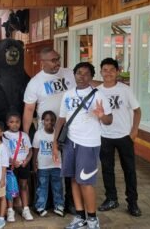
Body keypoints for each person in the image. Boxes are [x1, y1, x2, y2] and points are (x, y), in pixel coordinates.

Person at [52, 62, 113, 229]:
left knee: (85, 182)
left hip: (89, 143)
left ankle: (92, 219)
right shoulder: (68, 94)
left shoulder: (98, 95)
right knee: (73, 179)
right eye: (79, 73)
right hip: (70, 142)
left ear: (91, 77)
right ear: (74, 74)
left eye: (86, 74)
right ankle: (80, 217)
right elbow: (61, 120)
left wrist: (101, 116)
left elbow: (109, 120)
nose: (82, 76)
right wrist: (54, 142)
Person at [23, 47, 76, 214]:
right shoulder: (35, 82)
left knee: (68, 164)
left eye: (58, 58)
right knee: (48, 166)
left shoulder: (69, 73)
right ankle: (46, 202)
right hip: (47, 130)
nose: (57, 63)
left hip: (72, 128)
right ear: (42, 62)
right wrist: (25, 137)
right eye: (53, 60)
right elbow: (29, 110)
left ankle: (70, 201)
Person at [97, 58, 142, 216]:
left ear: (117, 72)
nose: (108, 73)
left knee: (129, 170)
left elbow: (137, 111)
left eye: (111, 70)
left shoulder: (125, 90)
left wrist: (134, 130)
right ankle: (111, 198)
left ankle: (132, 202)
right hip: (104, 136)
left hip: (124, 136)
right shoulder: (98, 91)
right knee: (107, 169)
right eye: (105, 70)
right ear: (101, 72)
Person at [32, 111, 64, 217]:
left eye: (52, 120)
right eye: (46, 120)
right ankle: (40, 206)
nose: (49, 122)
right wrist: (34, 164)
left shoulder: (57, 133)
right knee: (42, 187)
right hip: (43, 166)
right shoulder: (38, 134)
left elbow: (61, 148)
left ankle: (59, 206)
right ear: (42, 121)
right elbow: (35, 150)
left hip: (56, 165)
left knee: (57, 186)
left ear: (55, 121)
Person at [3, 112, 33, 221]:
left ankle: (25, 209)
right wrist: (11, 161)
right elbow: (2, 152)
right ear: (7, 123)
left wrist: (27, 160)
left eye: (17, 122)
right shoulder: (4, 135)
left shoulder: (24, 135)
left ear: (20, 123)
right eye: (11, 122)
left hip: (23, 164)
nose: (14, 124)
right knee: (10, 188)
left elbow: (30, 150)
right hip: (11, 166)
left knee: (23, 186)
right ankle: (10, 210)